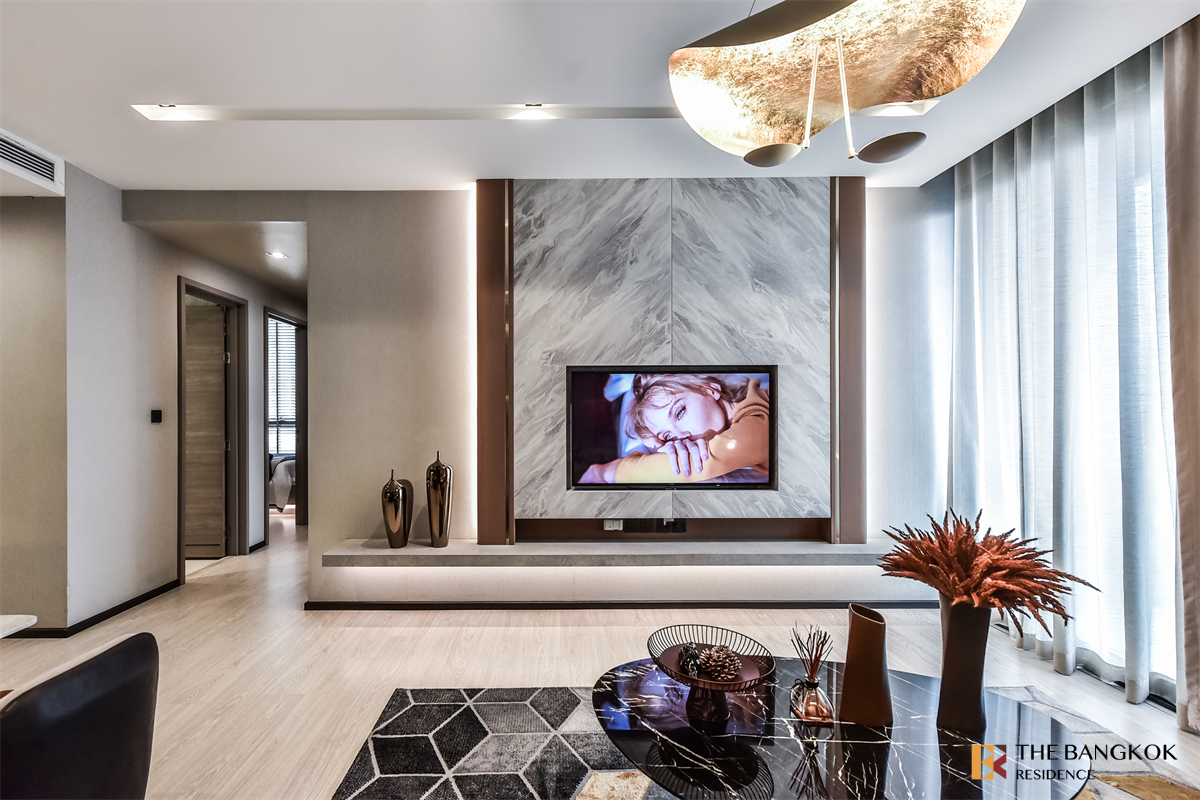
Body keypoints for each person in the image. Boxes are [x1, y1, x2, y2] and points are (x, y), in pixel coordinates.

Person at [579, 373, 769, 484]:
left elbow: (684, 468)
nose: (681, 437)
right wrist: (654, 442)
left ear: (711, 389)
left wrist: (601, 472)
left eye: (680, 413)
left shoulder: (758, 423)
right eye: (668, 436)